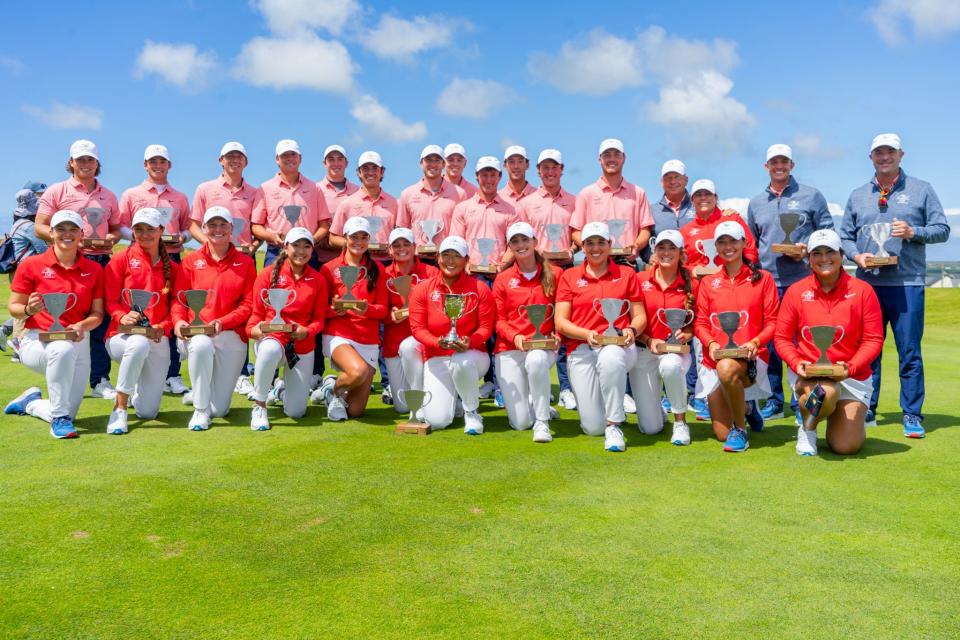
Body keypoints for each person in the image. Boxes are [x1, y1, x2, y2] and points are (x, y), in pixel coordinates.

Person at [839, 133, 950, 437]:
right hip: (868, 285)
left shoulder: (922, 190)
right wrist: (856, 254)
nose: (884, 157)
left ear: (901, 155)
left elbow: (942, 230)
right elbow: (845, 236)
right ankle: (866, 409)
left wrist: (914, 231)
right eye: (878, 153)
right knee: (867, 352)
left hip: (907, 283)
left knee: (909, 351)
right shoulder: (858, 194)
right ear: (871, 158)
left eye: (890, 152)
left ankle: (912, 414)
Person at [774, 229, 884, 456]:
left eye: (830, 252)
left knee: (846, 446)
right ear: (809, 258)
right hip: (809, 374)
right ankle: (808, 427)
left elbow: (873, 339)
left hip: (852, 375)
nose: (824, 259)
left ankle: (841, 417)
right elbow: (782, 338)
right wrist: (796, 363)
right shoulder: (797, 292)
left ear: (841, 254)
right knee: (825, 393)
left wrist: (849, 368)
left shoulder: (863, 291)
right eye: (817, 253)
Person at [747, 143, 834, 422]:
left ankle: (802, 400)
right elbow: (752, 242)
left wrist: (806, 246)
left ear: (792, 165)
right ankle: (775, 399)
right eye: (774, 162)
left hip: (804, 281)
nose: (779, 166)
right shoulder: (757, 202)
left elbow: (827, 231)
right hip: (769, 282)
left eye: (784, 162)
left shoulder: (811, 195)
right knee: (772, 344)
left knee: (801, 343)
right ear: (766, 167)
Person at [4, 210, 104, 438]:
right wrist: (30, 309)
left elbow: (97, 314)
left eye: (72, 229)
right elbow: (14, 308)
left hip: (78, 340)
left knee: (71, 412)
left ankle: (31, 403)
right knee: (62, 349)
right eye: (61, 229)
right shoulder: (31, 265)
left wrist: (82, 325)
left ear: (81, 234)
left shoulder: (94, 269)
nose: (66, 234)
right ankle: (58, 419)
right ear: (51, 233)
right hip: (36, 341)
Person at [35, 139, 121, 400]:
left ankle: (99, 379)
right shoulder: (57, 191)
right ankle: (63, 376)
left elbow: (116, 228)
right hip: (67, 264)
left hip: (102, 262)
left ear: (97, 164)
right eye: (80, 159)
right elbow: (40, 226)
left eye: (90, 160)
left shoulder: (108, 195)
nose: (85, 164)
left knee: (100, 319)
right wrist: (66, 241)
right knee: (66, 315)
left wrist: (112, 240)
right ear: (71, 162)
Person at [555, 221, 646, 452]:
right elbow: (561, 322)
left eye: (600, 243)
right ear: (583, 247)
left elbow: (640, 316)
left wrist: (631, 330)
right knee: (592, 427)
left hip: (620, 347)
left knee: (611, 356)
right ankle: (606, 416)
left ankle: (614, 424)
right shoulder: (569, 276)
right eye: (590, 243)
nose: (596, 248)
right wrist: (588, 334)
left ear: (610, 245)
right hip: (582, 348)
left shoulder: (626, 273)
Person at [693, 221, 779, 453]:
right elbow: (700, 323)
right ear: (716, 247)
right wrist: (710, 343)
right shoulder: (709, 282)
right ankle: (748, 409)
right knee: (721, 434)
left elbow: (772, 322)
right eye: (722, 242)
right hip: (714, 360)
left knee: (728, 369)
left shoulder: (763, 278)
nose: (728, 246)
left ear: (744, 243)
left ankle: (740, 429)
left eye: (733, 241)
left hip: (750, 358)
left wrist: (755, 342)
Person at [118, 144, 194, 396]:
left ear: (169, 165)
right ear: (145, 164)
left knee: (171, 313)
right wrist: (147, 238)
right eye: (153, 161)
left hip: (170, 258)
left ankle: (171, 374)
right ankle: (139, 369)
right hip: (139, 259)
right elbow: (121, 227)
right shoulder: (131, 194)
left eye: (162, 161)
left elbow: (186, 228)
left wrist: (179, 238)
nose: (157, 165)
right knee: (142, 310)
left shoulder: (180, 197)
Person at [171, 207, 256, 430]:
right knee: (200, 345)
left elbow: (249, 304)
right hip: (198, 333)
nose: (217, 230)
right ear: (204, 228)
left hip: (231, 334)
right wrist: (179, 322)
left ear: (231, 229)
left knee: (219, 410)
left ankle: (202, 395)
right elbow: (179, 300)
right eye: (212, 225)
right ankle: (200, 409)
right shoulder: (190, 261)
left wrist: (222, 322)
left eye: (222, 225)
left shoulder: (246, 263)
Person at [189, 141, 262, 397]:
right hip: (211, 258)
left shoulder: (255, 192)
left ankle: (241, 373)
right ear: (221, 160)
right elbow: (194, 223)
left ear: (245, 162)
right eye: (229, 157)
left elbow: (258, 225)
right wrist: (210, 245)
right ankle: (205, 371)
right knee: (211, 307)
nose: (234, 161)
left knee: (242, 310)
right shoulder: (205, 188)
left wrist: (255, 245)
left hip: (243, 258)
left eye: (239, 157)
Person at [104, 208, 181, 435]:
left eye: (150, 229)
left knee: (148, 412)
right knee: (138, 344)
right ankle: (120, 408)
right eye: (139, 229)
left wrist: (164, 327)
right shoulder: (120, 259)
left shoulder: (174, 268)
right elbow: (110, 300)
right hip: (121, 336)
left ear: (161, 231)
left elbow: (176, 305)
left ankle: (137, 386)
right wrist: (122, 315)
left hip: (157, 337)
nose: (144, 234)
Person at [407, 236, 495, 434]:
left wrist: (470, 342)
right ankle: (454, 399)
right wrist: (437, 342)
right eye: (446, 255)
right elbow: (417, 329)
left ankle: (472, 413)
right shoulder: (423, 289)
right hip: (437, 355)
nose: (450, 261)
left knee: (461, 362)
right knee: (437, 421)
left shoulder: (480, 288)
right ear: (438, 258)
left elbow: (486, 328)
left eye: (456, 256)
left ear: (466, 260)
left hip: (472, 356)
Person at [246, 228, 328, 431]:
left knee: (296, 412)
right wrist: (252, 330)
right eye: (296, 245)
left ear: (312, 249)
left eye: (306, 246)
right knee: (270, 349)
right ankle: (259, 405)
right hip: (272, 339)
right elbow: (255, 315)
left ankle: (281, 391)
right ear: (286, 247)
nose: (301, 251)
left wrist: (307, 331)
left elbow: (319, 319)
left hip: (301, 345)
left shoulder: (318, 279)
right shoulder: (267, 275)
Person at [515, 148, 577, 411]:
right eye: (545, 168)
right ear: (538, 171)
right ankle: (534, 386)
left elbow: (577, 234)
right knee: (537, 324)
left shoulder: (574, 201)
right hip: (537, 270)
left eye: (554, 167)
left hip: (565, 268)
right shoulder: (527, 203)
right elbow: (520, 240)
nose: (550, 172)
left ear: (562, 169)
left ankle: (566, 388)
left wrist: (571, 251)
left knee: (562, 327)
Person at [492, 222, 562, 442]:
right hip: (509, 348)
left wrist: (557, 336)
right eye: (515, 241)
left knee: (537, 360)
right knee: (520, 423)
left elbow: (562, 314)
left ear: (534, 241)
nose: (521, 245)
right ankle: (534, 403)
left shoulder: (556, 274)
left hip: (543, 348)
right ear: (509, 247)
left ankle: (542, 421)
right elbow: (499, 320)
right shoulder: (502, 279)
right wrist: (515, 336)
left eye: (525, 240)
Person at [318, 217, 388, 421]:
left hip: (368, 338)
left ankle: (333, 384)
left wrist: (366, 309)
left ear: (368, 239)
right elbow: (321, 310)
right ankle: (333, 394)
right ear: (345, 238)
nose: (358, 242)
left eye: (363, 237)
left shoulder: (377, 269)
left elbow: (383, 310)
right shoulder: (329, 268)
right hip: (339, 334)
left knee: (355, 412)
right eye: (353, 237)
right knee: (358, 371)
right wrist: (335, 309)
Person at [650, 159, 704, 420]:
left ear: (686, 179)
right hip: (661, 280)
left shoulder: (698, 205)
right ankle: (663, 395)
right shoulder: (653, 210)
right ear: (662, 181)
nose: (672, 181)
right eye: (667, 177)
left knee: (688, 337)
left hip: (691, 282)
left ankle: (692, 394)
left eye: (677, 177)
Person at [632, 230, 698, 444]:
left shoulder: (693, 283)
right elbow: (631, 319)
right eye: (661, 247)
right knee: (650, 428)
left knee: (670, 366)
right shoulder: (639, 280)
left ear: (681, 253)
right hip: (644, 350)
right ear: (655, 251)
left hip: (676, 352)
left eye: (672, 248)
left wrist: (689, 332)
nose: (666, 252)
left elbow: (702, 320)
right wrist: (649, 340)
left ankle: (680, 422)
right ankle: (656, 409)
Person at [570, 138, 655, 267]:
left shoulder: (638, 193)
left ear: (624, 158)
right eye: (607, 155)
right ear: (600, 159)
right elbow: (576, 231)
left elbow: (645, 230)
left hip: (628, 263)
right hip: (595, 264)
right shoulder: (585, 194)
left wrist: (636, 246)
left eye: (616, 154)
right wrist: (590, 247)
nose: (612, 159)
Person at [381, 227, 438, 414]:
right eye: (396, 245)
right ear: (389, 250)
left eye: (406, 244)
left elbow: (440, 306)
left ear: (414, 247)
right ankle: (419, 402)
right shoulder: (384, 274)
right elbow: (379, 309)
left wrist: (419, 313)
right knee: (401, 407)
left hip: (424, 344)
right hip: (393, 344)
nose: (401, 248)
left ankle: (425, 402)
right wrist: (390, 315)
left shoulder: (431, 272)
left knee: (409, 347)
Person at [251, 139, 329, 267]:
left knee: (310, 287)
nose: (289, 159)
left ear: (300, 158)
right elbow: (256, 226)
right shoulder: (265, 188)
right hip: (276, 250)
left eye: (293, 155)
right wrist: (271, 236)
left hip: (307, 251)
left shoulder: (314, 188)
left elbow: (324, 225)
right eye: (285, 155)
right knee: (274, 287)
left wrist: (311, 240)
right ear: (277, 159)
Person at [449, 156, 521, 276]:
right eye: (484, 175)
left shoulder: (512, 210)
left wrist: (501, 266)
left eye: (493, 175)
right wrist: (465, 264)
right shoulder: (462, 208)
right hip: (468, 276)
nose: (488, 180)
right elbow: (456, 242)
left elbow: (515, 244)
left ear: (500, 177)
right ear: (477, 177)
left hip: (499, 277)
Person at [396, 145, 461, 261]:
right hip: (415, 259)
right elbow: (402, 229)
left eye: (437, 160)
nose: (433, 164)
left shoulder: (459, 194)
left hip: (446, 260)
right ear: (421, 163)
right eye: (428, 160)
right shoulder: (407, 194)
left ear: (443, 164)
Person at [329, 150, 396, 263]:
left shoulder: (395, 203)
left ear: (382, 172)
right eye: (365, 168)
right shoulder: (347, 204)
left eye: (374, 168)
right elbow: (332, 238)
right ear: (359, 172)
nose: (370, 172)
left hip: (387, 263)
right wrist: (355, 244)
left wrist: (390, 247)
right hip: (356, 262)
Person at [680, 179, 758, 274]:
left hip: (732, 282)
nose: (703, 198)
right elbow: (682, 263)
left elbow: (750, 250)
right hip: (698, 286)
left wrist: (739, 273)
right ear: (692, 201)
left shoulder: (733, 219)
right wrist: (693, 271)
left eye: (708, 194)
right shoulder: (685, 231)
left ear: (716, 198)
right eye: (698, 195)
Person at [315, 145, 360, 267]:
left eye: (340, 159)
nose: (336, 163)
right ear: (325, 163)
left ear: (346, 163)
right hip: (320, 258)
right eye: (331, 159)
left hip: (350, 259)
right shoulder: (314, 189)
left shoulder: (358, 191)